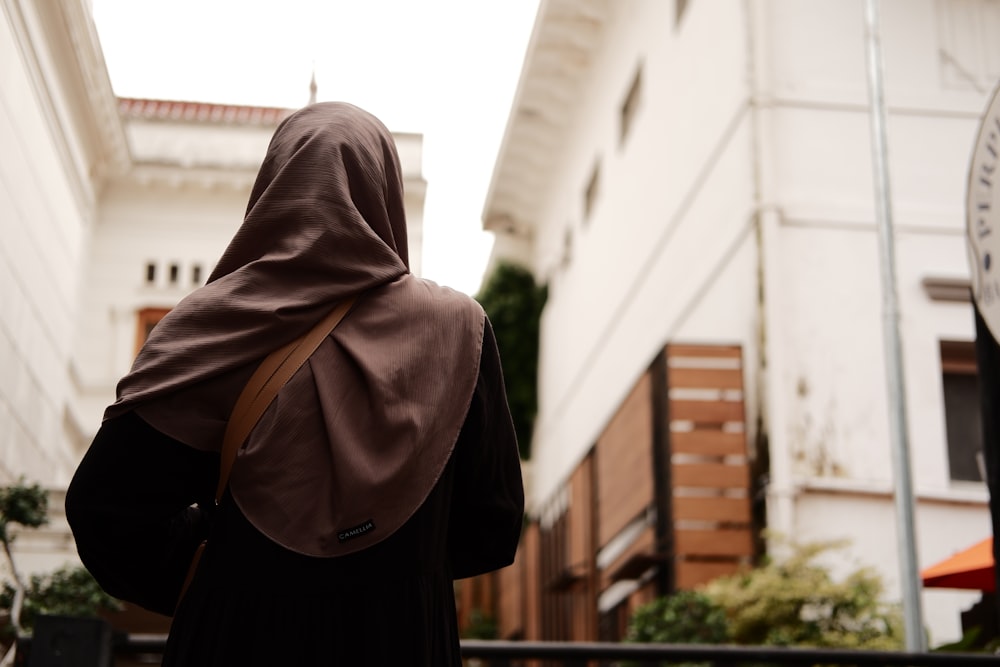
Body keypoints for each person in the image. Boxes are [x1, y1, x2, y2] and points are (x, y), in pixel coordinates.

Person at [65, 102, 524, 666]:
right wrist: (396, 558)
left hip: (237, 637)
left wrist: (225, 556)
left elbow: (107, 512)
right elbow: (492, 525)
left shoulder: (210, 325)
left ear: (275, 187)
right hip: (401, 636)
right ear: (385, 192)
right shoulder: (459, 329)